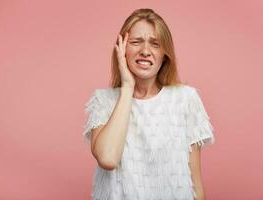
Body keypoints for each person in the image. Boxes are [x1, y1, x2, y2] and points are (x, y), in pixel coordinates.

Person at [83, 8, 215, 200]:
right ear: (122, 49)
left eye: (155, 44)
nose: (145, 51)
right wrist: (127, 87)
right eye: (136, 42)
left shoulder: (186, 100)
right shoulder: (103, 101)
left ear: (165, 54)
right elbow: (108, 158)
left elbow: (195, 185)